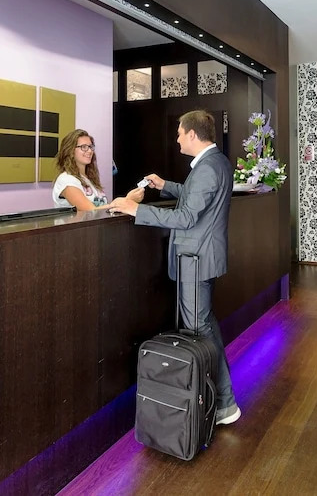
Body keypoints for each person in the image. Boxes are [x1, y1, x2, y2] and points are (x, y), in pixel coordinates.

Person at [107, 109, 240, 426]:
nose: (177, 139)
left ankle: (223, 404)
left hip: (195, 259)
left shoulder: (207, 168)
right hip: (203, 258)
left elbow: (186, 217)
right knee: (205, 328)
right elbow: (196, 197)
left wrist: (135, 209)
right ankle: (222, 401)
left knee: (200, 332)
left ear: (192, 134)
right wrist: (165, 185)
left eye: (179, 133)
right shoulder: (216, 162)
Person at [52, 129, 143, 210]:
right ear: (70, 150)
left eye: (90, 147)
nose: (89, 151)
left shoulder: (89, 179)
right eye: (84, 147)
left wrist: (126, 201)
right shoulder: (66, 180)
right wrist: (127, 200)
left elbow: (101, 208)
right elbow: (90, 211)